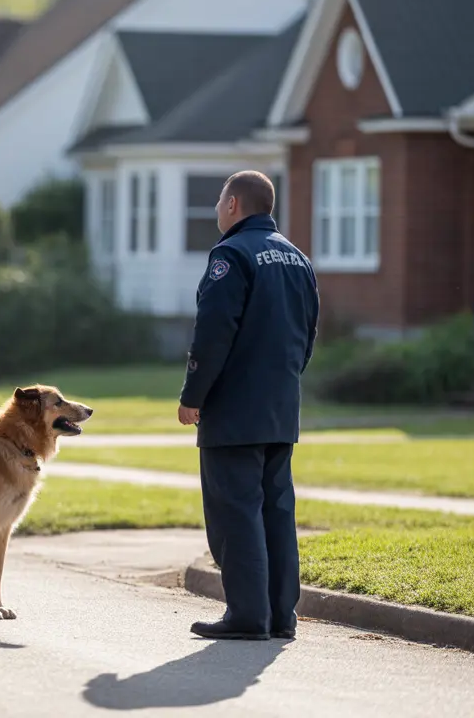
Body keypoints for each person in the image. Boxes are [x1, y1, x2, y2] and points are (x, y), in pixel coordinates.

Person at [178, 171, 320, 641]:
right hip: (281, 408)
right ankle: (281, 615)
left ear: (234, 204)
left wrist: (193, 396)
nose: (218, 207)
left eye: (220, 199)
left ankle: (246, 616)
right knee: (276, 512)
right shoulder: (297, 258)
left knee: (235, 513)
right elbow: (308, 334)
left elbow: (214, 332)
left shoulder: (231, 255)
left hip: (234, 411)